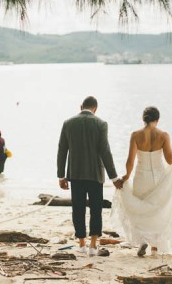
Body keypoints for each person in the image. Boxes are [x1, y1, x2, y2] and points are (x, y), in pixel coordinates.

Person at [111, 106, 172, 259]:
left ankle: (143, 239)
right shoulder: (163, 135)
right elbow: (170, 160)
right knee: (157, 210)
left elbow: (130, 161)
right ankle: (154, 248)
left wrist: (126, 177)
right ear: (157, 119)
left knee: (142, 208)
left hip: (141, 177)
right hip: (158, 177)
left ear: (144, 119)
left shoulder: (136, 135)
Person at [57, 96, 123, 257]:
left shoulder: (68, 123)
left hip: (75, 174)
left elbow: (62, 150)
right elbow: (105, 151)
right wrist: (114, 177)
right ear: (95, 109)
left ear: (81, 106)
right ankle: (93, 245)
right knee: (95, 209)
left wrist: (61, 175)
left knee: (77, 209)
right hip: (95, 174)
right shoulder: (101, 124)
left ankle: (81, 243)